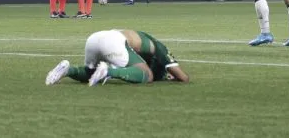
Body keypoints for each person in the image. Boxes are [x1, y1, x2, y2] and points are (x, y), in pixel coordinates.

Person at [45, 29, 189, 86]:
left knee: (91, 73)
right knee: (147, 74)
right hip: (114, 41)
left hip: (94, 38)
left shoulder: (142, 39)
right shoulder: (160, 48)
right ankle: (108, 71)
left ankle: (68, 70)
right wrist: (173, 76)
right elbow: (183, 77)